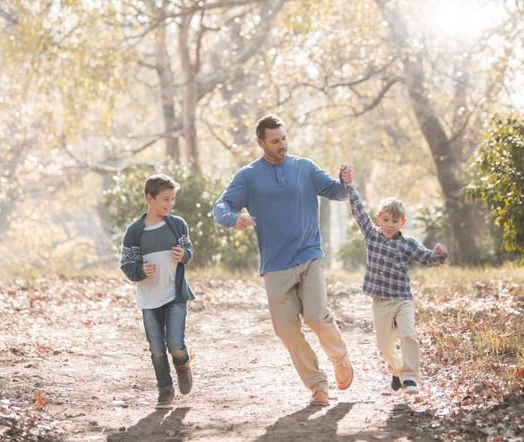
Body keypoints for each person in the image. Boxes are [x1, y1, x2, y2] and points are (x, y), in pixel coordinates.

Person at [213, 114, 354, 406]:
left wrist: (344, 181)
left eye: (284, 138)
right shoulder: (248, 176)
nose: (282, 145)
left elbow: (336, 192)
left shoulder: (304, 167)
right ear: (261, 142)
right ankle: (318, 385)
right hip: (275, 265)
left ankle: (340, 358)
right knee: (288, 332)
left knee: (316, 315)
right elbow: (221, 206)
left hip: (309, 255)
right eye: (275, 141)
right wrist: (233, 218)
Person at [346, 179, 448, 394]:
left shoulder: (407, 244)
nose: (390, 224)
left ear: (403, 222)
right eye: (386, 220)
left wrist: (439, 254)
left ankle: (410, 377)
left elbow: (427, 258)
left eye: (394, 221)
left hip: (402, 299)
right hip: (380, 302)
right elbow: (358, 209)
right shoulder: (372, 235)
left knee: (408, 334)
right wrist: (348, 185)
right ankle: (397, 369)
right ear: (378, 219)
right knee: (384, 346)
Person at [120, 174, 195, 408]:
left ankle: (182, 364)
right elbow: (127, 265)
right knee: (157, 349)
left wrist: (185, 255)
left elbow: (188, 251)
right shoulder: (135, 232)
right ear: (149, 198)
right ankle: (165, 390)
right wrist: (140, 270)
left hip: (175, 295)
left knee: (174, 344)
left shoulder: (177, 224)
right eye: (165, 199)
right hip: (149, 298)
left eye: (172, 199)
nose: (170, 204)